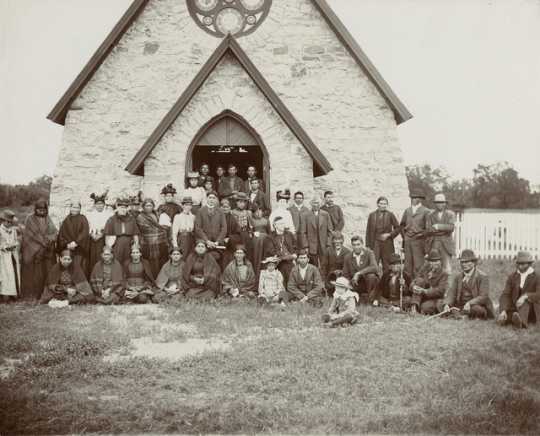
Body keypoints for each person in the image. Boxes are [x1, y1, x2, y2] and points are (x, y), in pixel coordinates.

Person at [439, 249, 494, 319]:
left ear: (474, 263)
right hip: (461, 305)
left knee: (477, 310)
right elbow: (452, 293)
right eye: (462, 262)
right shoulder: (458, 277)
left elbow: (483, 296)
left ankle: (463, 316)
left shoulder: (482, 277)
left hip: (476, 305)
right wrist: (447, 304)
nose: (464, 264)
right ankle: (462, 315)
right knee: (442, 304)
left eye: (467, 262)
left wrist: (470, 303)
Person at [20, 199, 58, 300]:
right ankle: (32, 295)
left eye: (43, 210)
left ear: (46, 210)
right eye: (39, 209)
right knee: (35, 275)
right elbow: (30, 235)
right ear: (35, 209)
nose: (41, 212)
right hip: (33, 251)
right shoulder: (30, 219)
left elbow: (54, 232)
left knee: (47, 272)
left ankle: (46, 294)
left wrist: (49, 240)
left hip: (46, 251)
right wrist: (42, 244)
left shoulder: (48, 219)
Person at [497, 251, 539, 328]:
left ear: (529, 264)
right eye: (518, 263)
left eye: (523, 264)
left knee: (525, 303)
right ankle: (508, 318)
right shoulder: (512, 276)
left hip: (531, 308)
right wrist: (503, 310)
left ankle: (521, 322)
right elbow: (506, 294)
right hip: (515, 306)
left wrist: (526, 296)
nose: (520, 266)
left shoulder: (537, 276)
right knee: (509, 310)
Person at [299, 197, 333, 279]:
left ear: (320, 204)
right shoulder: (305, 215)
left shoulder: (325, 214)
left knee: (324, 264)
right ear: (311, 204)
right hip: (311, 245)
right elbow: (303, 232)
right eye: (314, 203)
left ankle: (324, 282)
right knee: (312, 265)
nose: (316, 204)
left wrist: (328, 244)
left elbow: (330, 231)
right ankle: (313, 281)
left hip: (323, 245)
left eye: (317, 203)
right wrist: (306, 246)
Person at [400, 189, 431, 278]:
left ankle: (418, 287)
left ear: (420, 199)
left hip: (419, 241)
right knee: (407, 266)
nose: (414, 199)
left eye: (416, 198)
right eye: (412, 197)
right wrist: (404, 237)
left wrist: (420, 235)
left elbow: (428, 229)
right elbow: (402, 225)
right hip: (408, 241)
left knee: (418, 265)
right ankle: (408, 288)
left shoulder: (426, 211)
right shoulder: (407, 211)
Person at [365, 196, 401, 273]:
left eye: (385, 204)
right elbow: (368, 231)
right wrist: (368, 245)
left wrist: (389, 234)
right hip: (375, 243)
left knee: (387, 265)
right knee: (374, 264)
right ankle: (375, 283)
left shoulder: (390, 215)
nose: (383, 205)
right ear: (378, 204)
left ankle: (386, 283)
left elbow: (398, 228)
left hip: (387, 243)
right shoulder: (372, 215)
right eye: (381, 203)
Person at [136, 198, 169, 279]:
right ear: (143, 207)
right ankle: (151, 278)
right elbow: (145, 228)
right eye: (147, 206)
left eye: (150, 205)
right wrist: (162, 229)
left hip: (159, 242)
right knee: (150, 262)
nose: (149, 207)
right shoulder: (141, 217)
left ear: (153, 206)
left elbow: (163, 224)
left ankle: (160, 278)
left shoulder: (157, 214)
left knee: (160, 260)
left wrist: (162, 228)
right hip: (148, 242)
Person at [409, 249, 449, 315]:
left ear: (440, 261)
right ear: (429, 262)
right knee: (420, 281)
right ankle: (414, 307)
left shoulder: (444, 274)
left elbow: (440, 291)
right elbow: (415, 280)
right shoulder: (424, 269)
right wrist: (413, 287)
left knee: (425, 308)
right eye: (432, 261)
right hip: (421, 296)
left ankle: (417, 307)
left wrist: (424, 291)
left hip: (434, 298)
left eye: (436, 261)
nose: (434, 263)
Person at [342, 236, 379, 304]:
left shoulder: (369, 253)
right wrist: (350, 281)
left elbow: (374, 267)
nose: (356, 247)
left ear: (362, 244)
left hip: (368, 282)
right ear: (352, 246)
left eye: (358, 244)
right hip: (355, 283)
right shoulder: (348, 257)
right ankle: (358, 297)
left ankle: (371, 298)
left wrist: (359, 273)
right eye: (354, 245)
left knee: (371, 276)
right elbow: (345, 274)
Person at [104, 197, 140, 266]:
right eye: (121, 207)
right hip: (117, 244)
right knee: (116, 262)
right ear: (117, 208)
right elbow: (107, 236)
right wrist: (109, 248)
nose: (123, 209)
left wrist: (136, 246)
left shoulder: (131, 219)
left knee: (128, 262)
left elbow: (135, 234)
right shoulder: (111, 220)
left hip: (129, 244)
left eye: (125, 208)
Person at [56, 200, 90, 274]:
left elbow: (84, 233)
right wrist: (66, 244)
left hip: (79, 249)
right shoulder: (66, 220)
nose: (75, 209)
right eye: (73, 207)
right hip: (67, 248)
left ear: (80, 209)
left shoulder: (83, 219)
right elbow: (61, 234)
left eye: (77, 207)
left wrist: (75, 243)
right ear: (70, 208)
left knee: (78, 268)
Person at [195, 191, 227, 264]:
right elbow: (198, 228)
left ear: (216, 200)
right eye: (210, 198)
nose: (211, 200)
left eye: (213, 198)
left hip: (217, 243)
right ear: (207, 199)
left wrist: (217, 242)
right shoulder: (200, 211)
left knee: (218, 258)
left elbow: (224, 228)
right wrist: (207, 241)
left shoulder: (220, 211)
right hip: (204, 242)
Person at [426, 193, 455, 273]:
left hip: (446, 245)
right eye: (438, 202)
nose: (440, 204)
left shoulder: (450, 214)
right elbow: (428, 230)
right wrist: (443, 230)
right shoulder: (430, 215)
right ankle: (435, 285)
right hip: (434, 244)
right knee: (434, 268)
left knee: (447, 269)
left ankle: (446, 285)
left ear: (445, 203)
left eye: (442, 202)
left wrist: (438, 226)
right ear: (435, 204)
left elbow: (451, 228)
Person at [263, 217, 297, 286]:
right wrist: (287, 257)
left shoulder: (289, 234)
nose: (283, 225)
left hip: (291, 260)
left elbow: (295, 247)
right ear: (275, 225)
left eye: (283, 223)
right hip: (278, 262)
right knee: (286, 267)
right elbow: (271, 251)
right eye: (281, 224)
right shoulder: (270, 237)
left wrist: (294, 254)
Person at [87, 191, 112, 277]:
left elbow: (109, 227)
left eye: (101, 204)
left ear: (104, 205)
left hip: (103, 239)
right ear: (94, 205)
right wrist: (92, 234)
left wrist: (101, 234)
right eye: (97, 204)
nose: (99, 205)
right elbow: (88, 226)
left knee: (101, 256)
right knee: (92, 258)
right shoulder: (90, 214)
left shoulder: (108, 215)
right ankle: (93, 276)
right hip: (92, 239)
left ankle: (102, 276)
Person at [0, 210, 20, 302]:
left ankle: (14, 293)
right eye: (7, 222)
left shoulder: (13, 230)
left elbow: (16, 240)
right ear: (3, 221)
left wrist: (15, 244)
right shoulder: (0, 231)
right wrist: (5, 247)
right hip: (3, 256)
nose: (9, 224)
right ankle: (5, 294)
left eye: (11, 222)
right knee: (6, 274)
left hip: (12, 255)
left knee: (14, 272)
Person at [326, 231, 351, 295]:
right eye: (335, 239)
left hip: (342, 275)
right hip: (330, 276)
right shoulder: (328, 250)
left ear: (342, 240)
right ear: (332, 241)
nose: (337, 242)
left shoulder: (347, 251)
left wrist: (341, 272)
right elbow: (324, 266)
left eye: (339, 239)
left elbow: (348, 268)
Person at [220, 198, 242, 270]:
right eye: (223, 207)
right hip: (217, 245)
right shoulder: (216, 217)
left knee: (228, 258)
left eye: (227, 207)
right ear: (220, 208)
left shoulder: (233, 219)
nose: (225, 209)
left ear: (230, 208)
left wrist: (229, 238)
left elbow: (238, 235)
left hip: (229, 246)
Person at [250, 203, 271, 277]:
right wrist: (253, 233)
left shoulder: (266, 220)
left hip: (265, 242)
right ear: (253, 212)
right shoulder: (251, 220)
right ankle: (256, 274)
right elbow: (249, 231)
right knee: (256, 258)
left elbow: (269, 233)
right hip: (256, 243)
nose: (259, 213)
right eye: (256, 211)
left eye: (260, 211)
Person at [231, 192, 253, 261]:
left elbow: (251, 225)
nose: (242, 204)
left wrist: (250, 232)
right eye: (240, 202)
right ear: (236, 202)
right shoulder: (232, 212)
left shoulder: (248, 213)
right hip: (236, 235)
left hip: (245, 234)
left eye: (243, 202)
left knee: (247, 251)